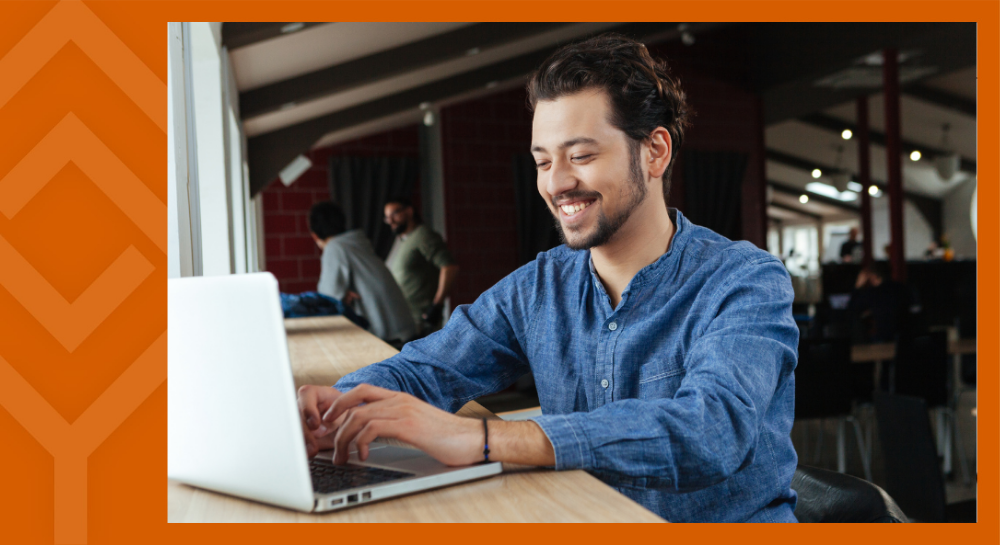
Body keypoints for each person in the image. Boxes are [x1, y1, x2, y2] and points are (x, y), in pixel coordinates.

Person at [298, 35, 799, 523]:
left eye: (580, 156)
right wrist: (338, 409)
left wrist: (485, 440)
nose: (556, 182)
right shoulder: (539, 287)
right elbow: (427, 369)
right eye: (542, 161)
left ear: (655, 152)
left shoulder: (744, 281)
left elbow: (710, 433)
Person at [308, 201, 417, 345]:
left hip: (390, 340)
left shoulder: (335, 247)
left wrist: (339, 296)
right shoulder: (357, 243)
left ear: (315, 236)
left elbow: (327, 300)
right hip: (404, 330)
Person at [383, 197, 459, 332]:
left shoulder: (424, 235)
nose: (390, 221)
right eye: (387, 217)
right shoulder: (402, 240)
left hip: (422, 320)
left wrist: (437, 305)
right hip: (404, 317)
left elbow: (449, 267)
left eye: (394, 214)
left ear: (409, 211)